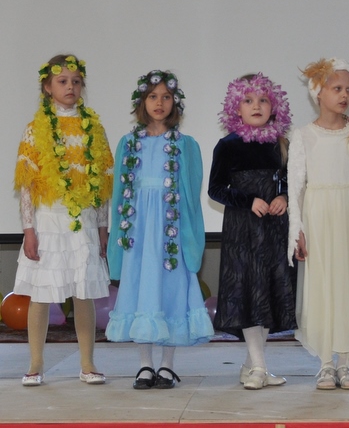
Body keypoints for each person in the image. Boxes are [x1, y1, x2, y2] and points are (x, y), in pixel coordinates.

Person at [106, 70, 214, 390]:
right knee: (141, 288)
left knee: (170, 290)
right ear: (142, 101)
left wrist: (189, 237)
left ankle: (167, 365)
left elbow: (191, 197)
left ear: (174, 102)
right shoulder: (129, 144)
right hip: (139, 230)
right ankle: (144, 364)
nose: (159, 103)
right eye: (153, 96)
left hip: (170, 231)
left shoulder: (186, 145)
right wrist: (118, 236)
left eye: (166, 97)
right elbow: (119, 195)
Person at [13, 54, 115, 387]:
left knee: (83, 292)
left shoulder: (94, 128)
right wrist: (29, 229)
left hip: (83, 221)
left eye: (76, 81)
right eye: (62, 81)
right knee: (42, 293)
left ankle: (87, 363)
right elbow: (27, 185)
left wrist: (103, 227)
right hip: (48, 221)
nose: (70, 87)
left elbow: (103, 184)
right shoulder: (35, 129)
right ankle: (35, 364)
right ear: (47, 87)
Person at [287, 57, 349, 391]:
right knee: (323, 286)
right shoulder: (304, 136)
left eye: (348, 89)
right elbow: (295, 187)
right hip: (319, 218)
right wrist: (297, 230)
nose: (344, 95)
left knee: (348, 285)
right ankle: (325, 364)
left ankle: (346, 363)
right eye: (337, 88)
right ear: (319, 92)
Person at [208, 73, 297, 390]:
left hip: (274, 232)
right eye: (248, 100)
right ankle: (259, 366)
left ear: (274, 107)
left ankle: (253, 365)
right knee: (248, 293)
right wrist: (248, 201)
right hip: (243, 232)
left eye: (262, 100)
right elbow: (216, 189)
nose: (256, 106)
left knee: (267, 295)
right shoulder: (228, 145)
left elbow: (292, 183)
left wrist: (284, 197)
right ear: (237, 107)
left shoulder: (282, 144)